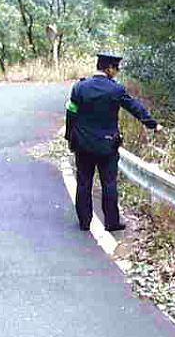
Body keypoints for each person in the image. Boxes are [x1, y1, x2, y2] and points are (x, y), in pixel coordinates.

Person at [65, 52, 162, 231]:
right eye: (116, 68)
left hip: (83, 145)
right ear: (108, 68)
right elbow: (134, 107)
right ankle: (111, 222)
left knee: (84, 182)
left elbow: (71, 113)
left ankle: (84, 222)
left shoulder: (79, 87)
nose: (117, 72)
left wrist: (70, 138)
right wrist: (152, 124)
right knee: (109, 183)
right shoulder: (115, 90)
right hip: (107, 146)